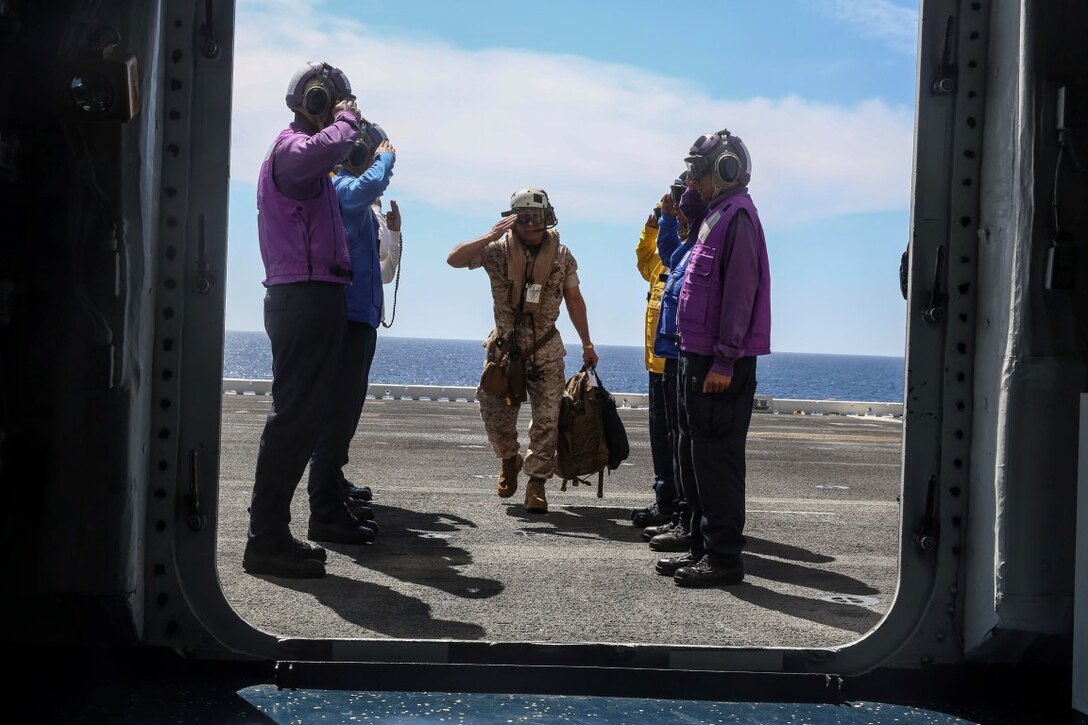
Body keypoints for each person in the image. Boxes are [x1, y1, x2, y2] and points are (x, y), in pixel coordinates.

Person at [242, 61, 365, 579]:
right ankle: (265, 540)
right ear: (313, 102)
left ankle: (272, 534)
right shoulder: (292, 150)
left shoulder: (306, 157)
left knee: (303, 419)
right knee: (294, 420)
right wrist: (348, 118)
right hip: (304, 298)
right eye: (330, 102)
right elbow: (331, 146)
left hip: (314, 297)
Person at [660, 129, 771, 587]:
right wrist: (689, 196)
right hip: (696, 357)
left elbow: (740, 295)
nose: (690, 180)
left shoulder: (738, 217)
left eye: (697, 172)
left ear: (724, 171)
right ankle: (700, 547)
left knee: (718, 463)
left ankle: (723, 559)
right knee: (696, 458)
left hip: (719, 364)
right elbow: (688, 224)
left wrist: (725, 361)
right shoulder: (715, 215)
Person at [447, 189, 598, 514]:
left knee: (546, 422)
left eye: (537, 217)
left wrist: (587, 343)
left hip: (546, 351)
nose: (531, 224)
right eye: (524, 217)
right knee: (494, 416)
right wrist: (491, 235)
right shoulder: (496, 251)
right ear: (513, 220)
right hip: (505, 353)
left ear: (548, 217)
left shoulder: (562, 256)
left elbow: (574, 299)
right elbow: (454, 259)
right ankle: (509, 459)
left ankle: (536, 484)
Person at [306, 123, 397, 537]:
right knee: (336, 415)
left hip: (359, 318)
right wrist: (386, 158)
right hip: (346, 318)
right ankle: (325, 513)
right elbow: (366, 187)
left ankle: (333, 492)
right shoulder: (340, 186)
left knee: (345, 413)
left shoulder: (347, 190)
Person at [644, 175, 708, 556]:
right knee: (672, 438)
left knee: (686, 442)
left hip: (685, 354)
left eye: (683, 199)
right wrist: (664, 220)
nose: (679, 205)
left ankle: (688, 520)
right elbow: (665, 254)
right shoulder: (687, 245)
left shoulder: (705, 240)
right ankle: (679, 513)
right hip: (670, 354)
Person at [630, 195, 680, 529]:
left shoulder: (682, 258)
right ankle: (665, 501)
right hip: (655, 365)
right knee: (660, 440)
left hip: (674, 366)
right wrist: (650, 229)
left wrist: (666, 222)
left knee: (674, 441)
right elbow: (643, 260)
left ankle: (673, 506)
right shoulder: (661, 263)